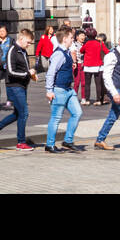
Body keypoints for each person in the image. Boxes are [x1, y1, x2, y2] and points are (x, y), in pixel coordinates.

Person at [0, 29, 36, 151]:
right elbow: (11, 71)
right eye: (28, 42)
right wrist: (27, 73)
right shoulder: (12, 50)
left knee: (17, 114)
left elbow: (23, 69)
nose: (29, 45)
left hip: (22, 86)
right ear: (21, 39)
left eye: (30, 43)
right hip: (14, 87)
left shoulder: (23, 51)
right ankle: (21, 142)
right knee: (24, 113)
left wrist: (31, 73)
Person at [44, 26, 83, 154]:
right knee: (56, 118)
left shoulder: (65, 53)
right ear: (65, 39)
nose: (73, 40)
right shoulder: (59, 54)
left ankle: (68, 141)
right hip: (59, 90)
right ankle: (49, 145)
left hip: (68, 89)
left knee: (77, 113)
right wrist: (49, 90)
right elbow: (51, 73)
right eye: (71, 38)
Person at [82, 29, 108, 106]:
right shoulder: (100, 43)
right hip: (98, 65)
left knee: (87, 84)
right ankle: (98, 100)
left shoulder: (86, 43)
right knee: (98, 84)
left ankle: (87, 100)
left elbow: (81, 50)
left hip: (88, 65)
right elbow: (107, 51)